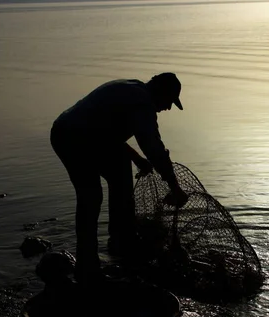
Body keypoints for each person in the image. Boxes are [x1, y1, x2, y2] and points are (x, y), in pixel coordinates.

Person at [50, 72, 189, 285]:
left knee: (122, 179)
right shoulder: (142, 103)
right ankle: (87, 268)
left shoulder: (131, 88)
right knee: (91, 197)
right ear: (160, 92)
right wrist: (175, 187)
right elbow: (153, 147)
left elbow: (107, 131)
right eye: (169, 102)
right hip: (70, 137)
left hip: (92, 136)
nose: (168, 108)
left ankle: (120, 243)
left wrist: (137, 159)